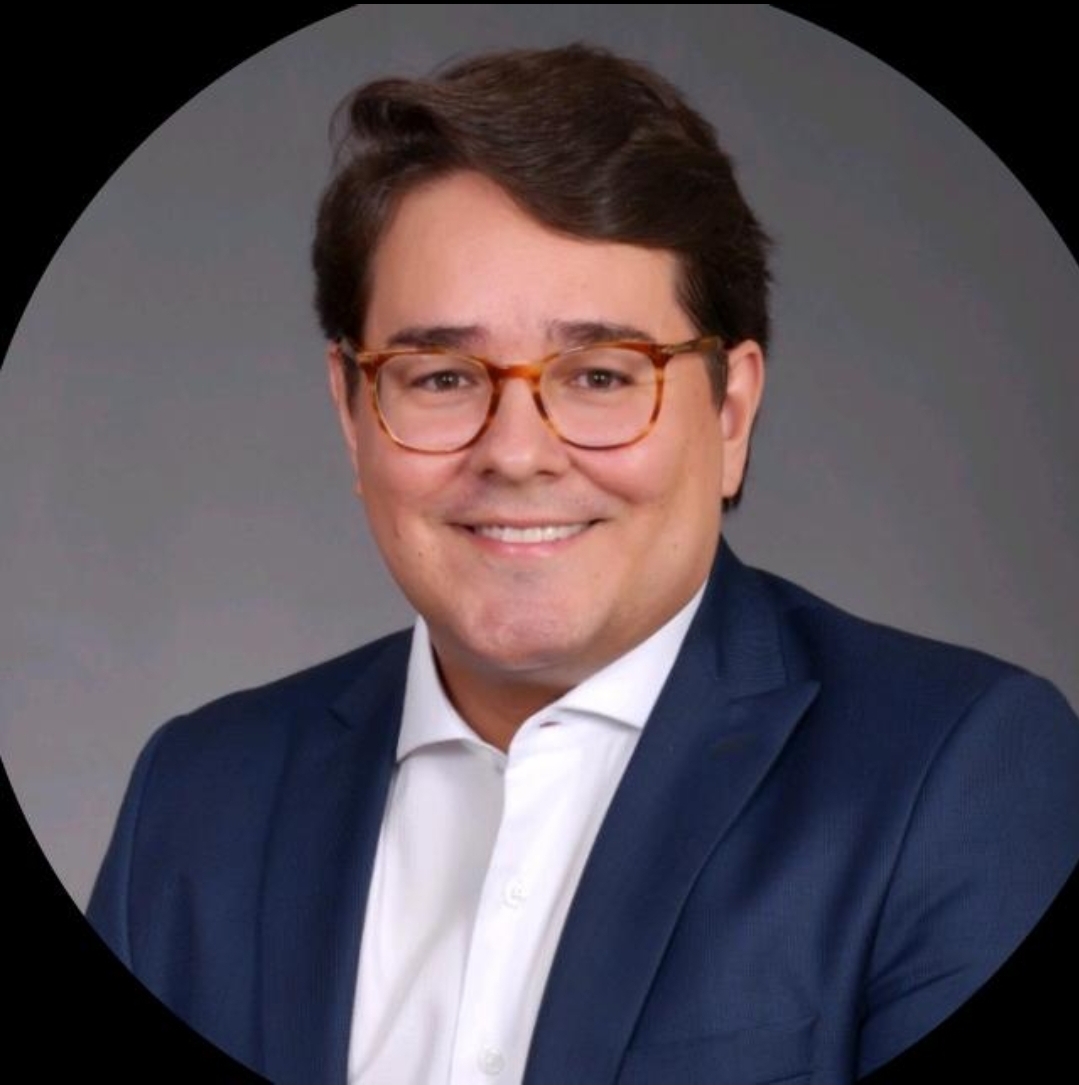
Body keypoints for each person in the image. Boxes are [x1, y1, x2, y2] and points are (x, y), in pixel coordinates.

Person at [86, 44, 1079, 1085]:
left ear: (730, 411)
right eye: (440, 376)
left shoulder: (954, 776)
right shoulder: (196, 801)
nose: (516, 452)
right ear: (351, 410)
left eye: (601, 374)